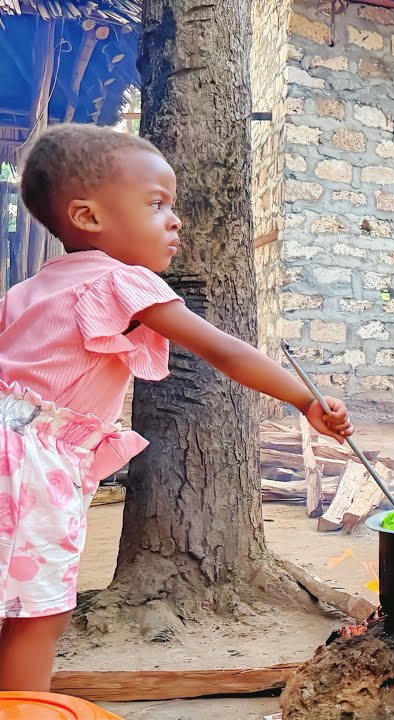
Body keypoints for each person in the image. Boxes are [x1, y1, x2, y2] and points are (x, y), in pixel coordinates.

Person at [0, 124, 354, 691]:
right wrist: (306, 398)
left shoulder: (27, 292)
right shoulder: (124, 282)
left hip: (10, 447)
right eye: (156, 203)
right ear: (89, 218)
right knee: (36, 614)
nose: (176, 219)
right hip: (29, 469)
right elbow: (225, 350)